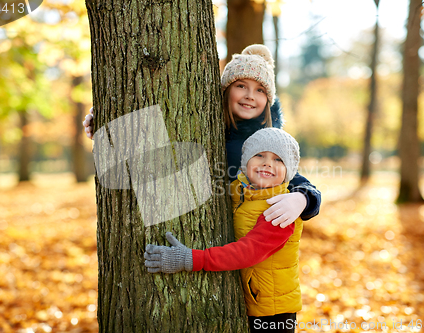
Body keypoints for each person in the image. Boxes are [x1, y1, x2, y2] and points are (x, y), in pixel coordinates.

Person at [83, 44, 321, 226]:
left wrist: (302, 199)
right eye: (241, 86)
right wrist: (107, 124)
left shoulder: (267, 141)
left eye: (260, 90)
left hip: (252, 237)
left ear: (268, 101)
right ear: (226, 90)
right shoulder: (204, 123)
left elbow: (298, 180)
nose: (250, 95)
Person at [145, 128, 303, 333]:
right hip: (252, 301)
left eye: (278, 160)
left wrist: (190, 259)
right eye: (260, 155)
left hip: (273, 312)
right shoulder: (239, 191)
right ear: (246, 160)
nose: (267, 163)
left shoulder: (281, 209)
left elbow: (248, 252)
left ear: (288, 172)